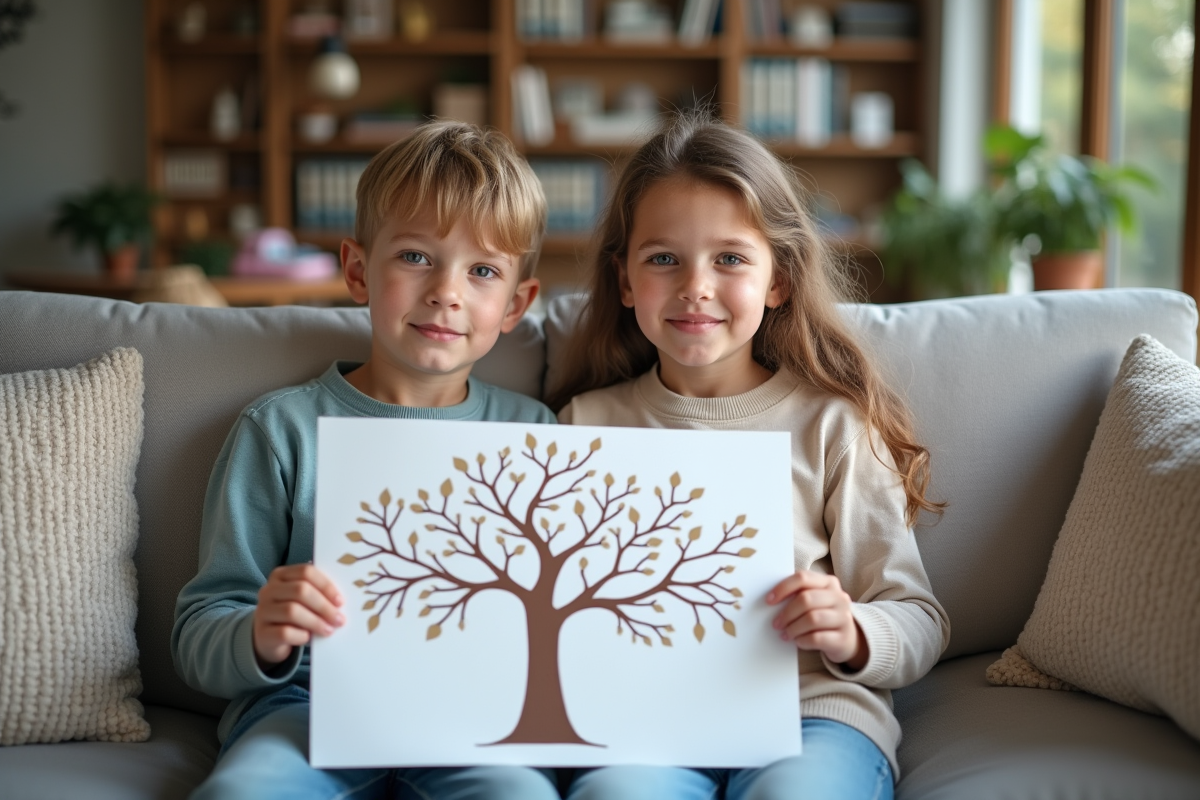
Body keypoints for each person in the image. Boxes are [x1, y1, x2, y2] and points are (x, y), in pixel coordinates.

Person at [547, 112, 951, 800]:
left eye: (730, 258)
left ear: (779, 281)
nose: (695, 285)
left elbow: (918, 617)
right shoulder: (584, 425)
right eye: (663, 258)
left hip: (812, 719)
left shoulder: (831, 425)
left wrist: (850, 629)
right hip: (647, 727)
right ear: (623, 281)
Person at [173, 121, 563, 800]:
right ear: (357, 270)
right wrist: (263, 633)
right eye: (415, 257)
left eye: (482, 271)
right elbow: (199, 634)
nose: (447, 291)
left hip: (469, 719)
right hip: (304, 711)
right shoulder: (282, 430)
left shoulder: (534, 434)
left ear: (515, 305)